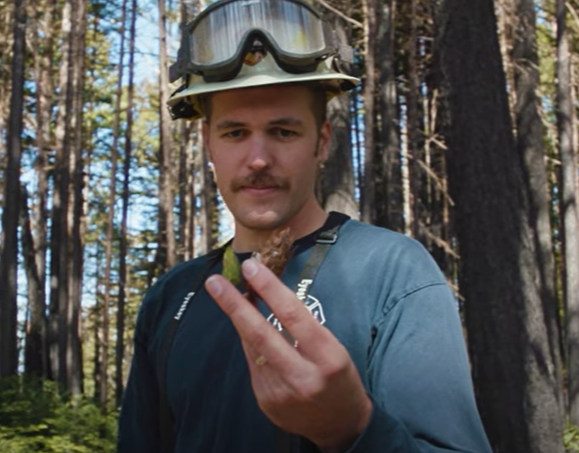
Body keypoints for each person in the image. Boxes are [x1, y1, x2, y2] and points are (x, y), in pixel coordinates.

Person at [118, 1, 493, 452]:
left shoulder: (391, 272)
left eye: (283, 132)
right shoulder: (171, 297)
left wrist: (353, 427)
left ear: (322, 141)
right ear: (208, 144)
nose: (258, 159)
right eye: (235, 133)